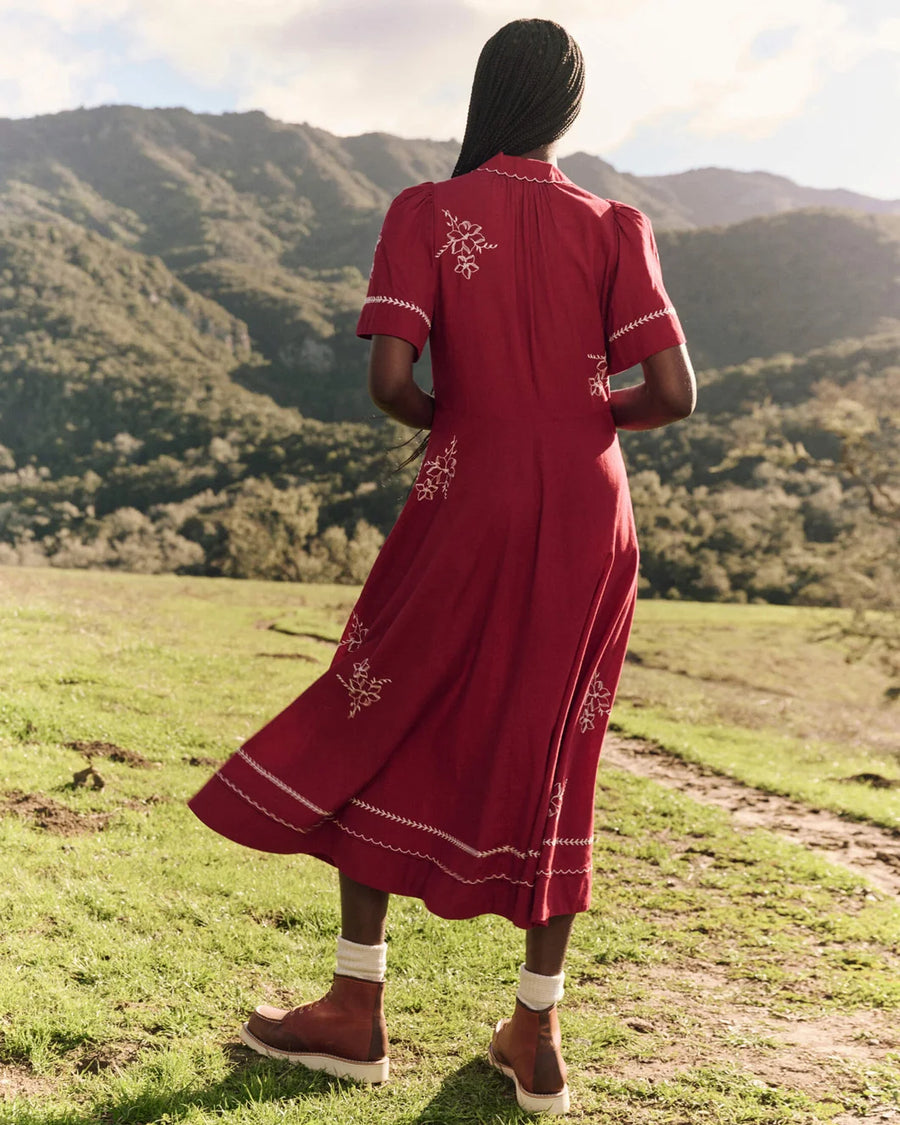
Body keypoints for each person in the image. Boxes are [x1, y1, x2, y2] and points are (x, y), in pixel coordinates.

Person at [189, 17, 696, 1117]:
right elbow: (670, 395)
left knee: (384, 695)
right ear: (567, 110)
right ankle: (536, 1028)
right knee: (560, 734)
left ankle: (355, 1008)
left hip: (469, 483)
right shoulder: (618, 225)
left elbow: (387, 380)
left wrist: (468, 419)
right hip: (589, 503)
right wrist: (567, 416)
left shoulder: (428, 211)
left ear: (484, 94)